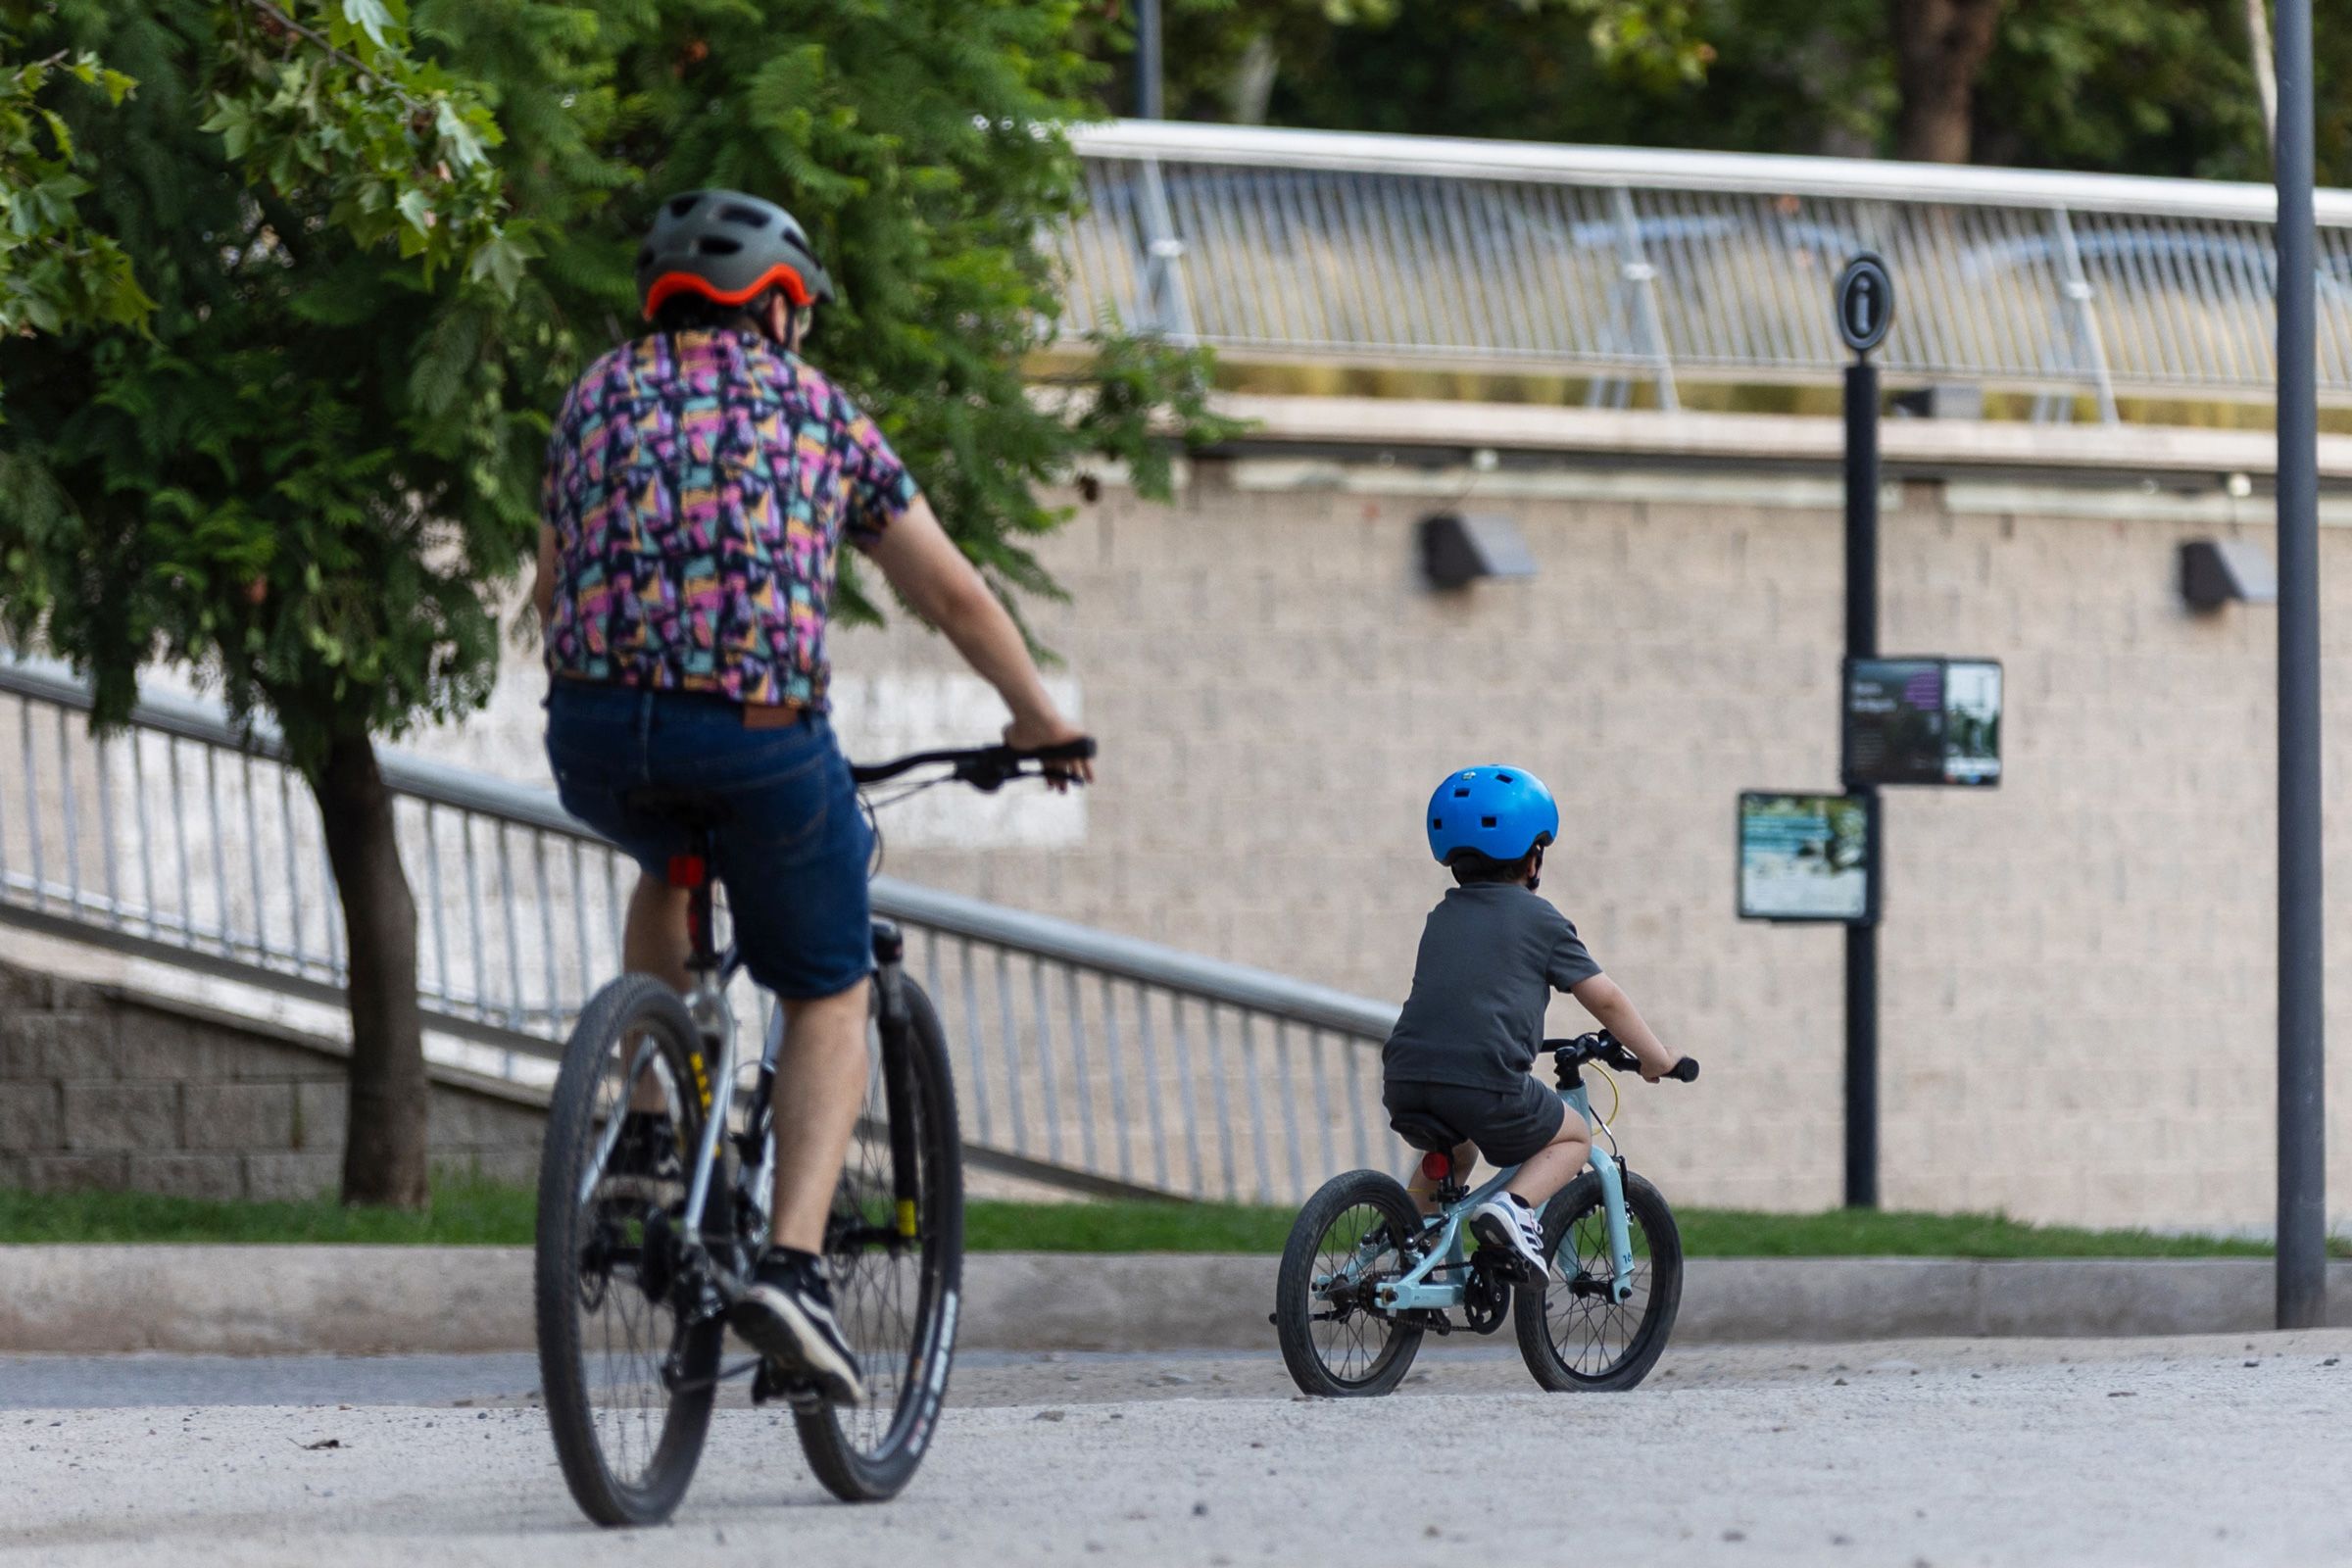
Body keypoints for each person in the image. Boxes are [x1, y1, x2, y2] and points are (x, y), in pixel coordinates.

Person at [535, 189, 1091, 1403]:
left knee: (664, 858)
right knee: (828, 981)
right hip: (758, 740)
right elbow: (950, 594)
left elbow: (550, 581)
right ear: (781, 303)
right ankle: (792, 1267)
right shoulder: (818, 411)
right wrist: (1040, 719)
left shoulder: (593, 393)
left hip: (590, 735)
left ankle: (639, 1124)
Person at [1381, 764, 1680, 1280]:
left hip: (1406, 1078)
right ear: (1533, 855)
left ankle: (1406, 1245)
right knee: (1572, 1138)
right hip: (1484, 1083)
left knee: (1457, 1148)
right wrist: (1657, 1058)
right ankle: (1513, 1209)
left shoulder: (1441, 916)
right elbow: (1604, 1000)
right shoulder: (1540, 919)